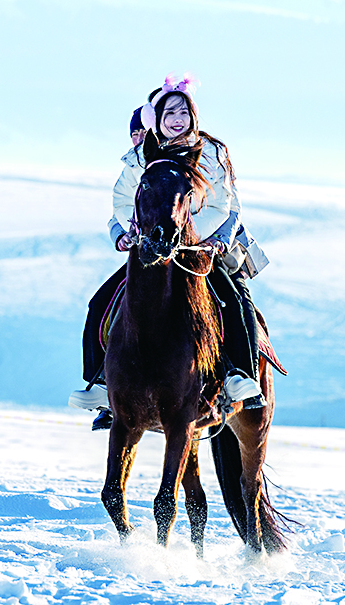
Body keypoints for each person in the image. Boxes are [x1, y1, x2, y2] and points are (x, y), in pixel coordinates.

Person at [70, 74, 272, 430]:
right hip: (155, 249)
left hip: (199, 250)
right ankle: (101, 381)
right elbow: (123, 199)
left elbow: (224, 204)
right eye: (169, 114)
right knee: (101, 302)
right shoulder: (142, 156)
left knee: (235, 300)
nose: (177, 120)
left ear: (193, 115)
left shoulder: (211, 152)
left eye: (183, 112)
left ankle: (237, 375)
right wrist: (133, 228)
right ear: (157, 119)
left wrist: (197, 238)